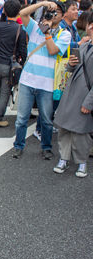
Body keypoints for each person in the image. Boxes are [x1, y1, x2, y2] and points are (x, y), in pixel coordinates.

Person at [12, 0, 71, 160]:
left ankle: (46, 147)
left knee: (46, 120)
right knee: (21, 118)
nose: (53, 14)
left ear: (62, 15)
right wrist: (42, 3)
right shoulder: (34, 28)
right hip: (27, 80)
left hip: (47, 84)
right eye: (51, 11)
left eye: (57, 12)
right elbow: (23, 13)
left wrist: (47, 31)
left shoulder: (64, 34)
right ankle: (18, 146)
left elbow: (53, 50)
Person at [53, 11, 93, 178]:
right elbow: (72, 69)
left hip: (85, 95)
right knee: (64, 128)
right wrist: (70, 64)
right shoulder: (83, 45)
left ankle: (82, 162)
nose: (89, 26)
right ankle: (64, 158)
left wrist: (89, 103)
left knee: (81, 133)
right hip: (71, 92)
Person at [0, 0, 27, 127]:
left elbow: (2, 21)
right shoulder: (20, 30)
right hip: (9, 65)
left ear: (4, 11)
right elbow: (23, 50)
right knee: (5, 92)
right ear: (18, 12)